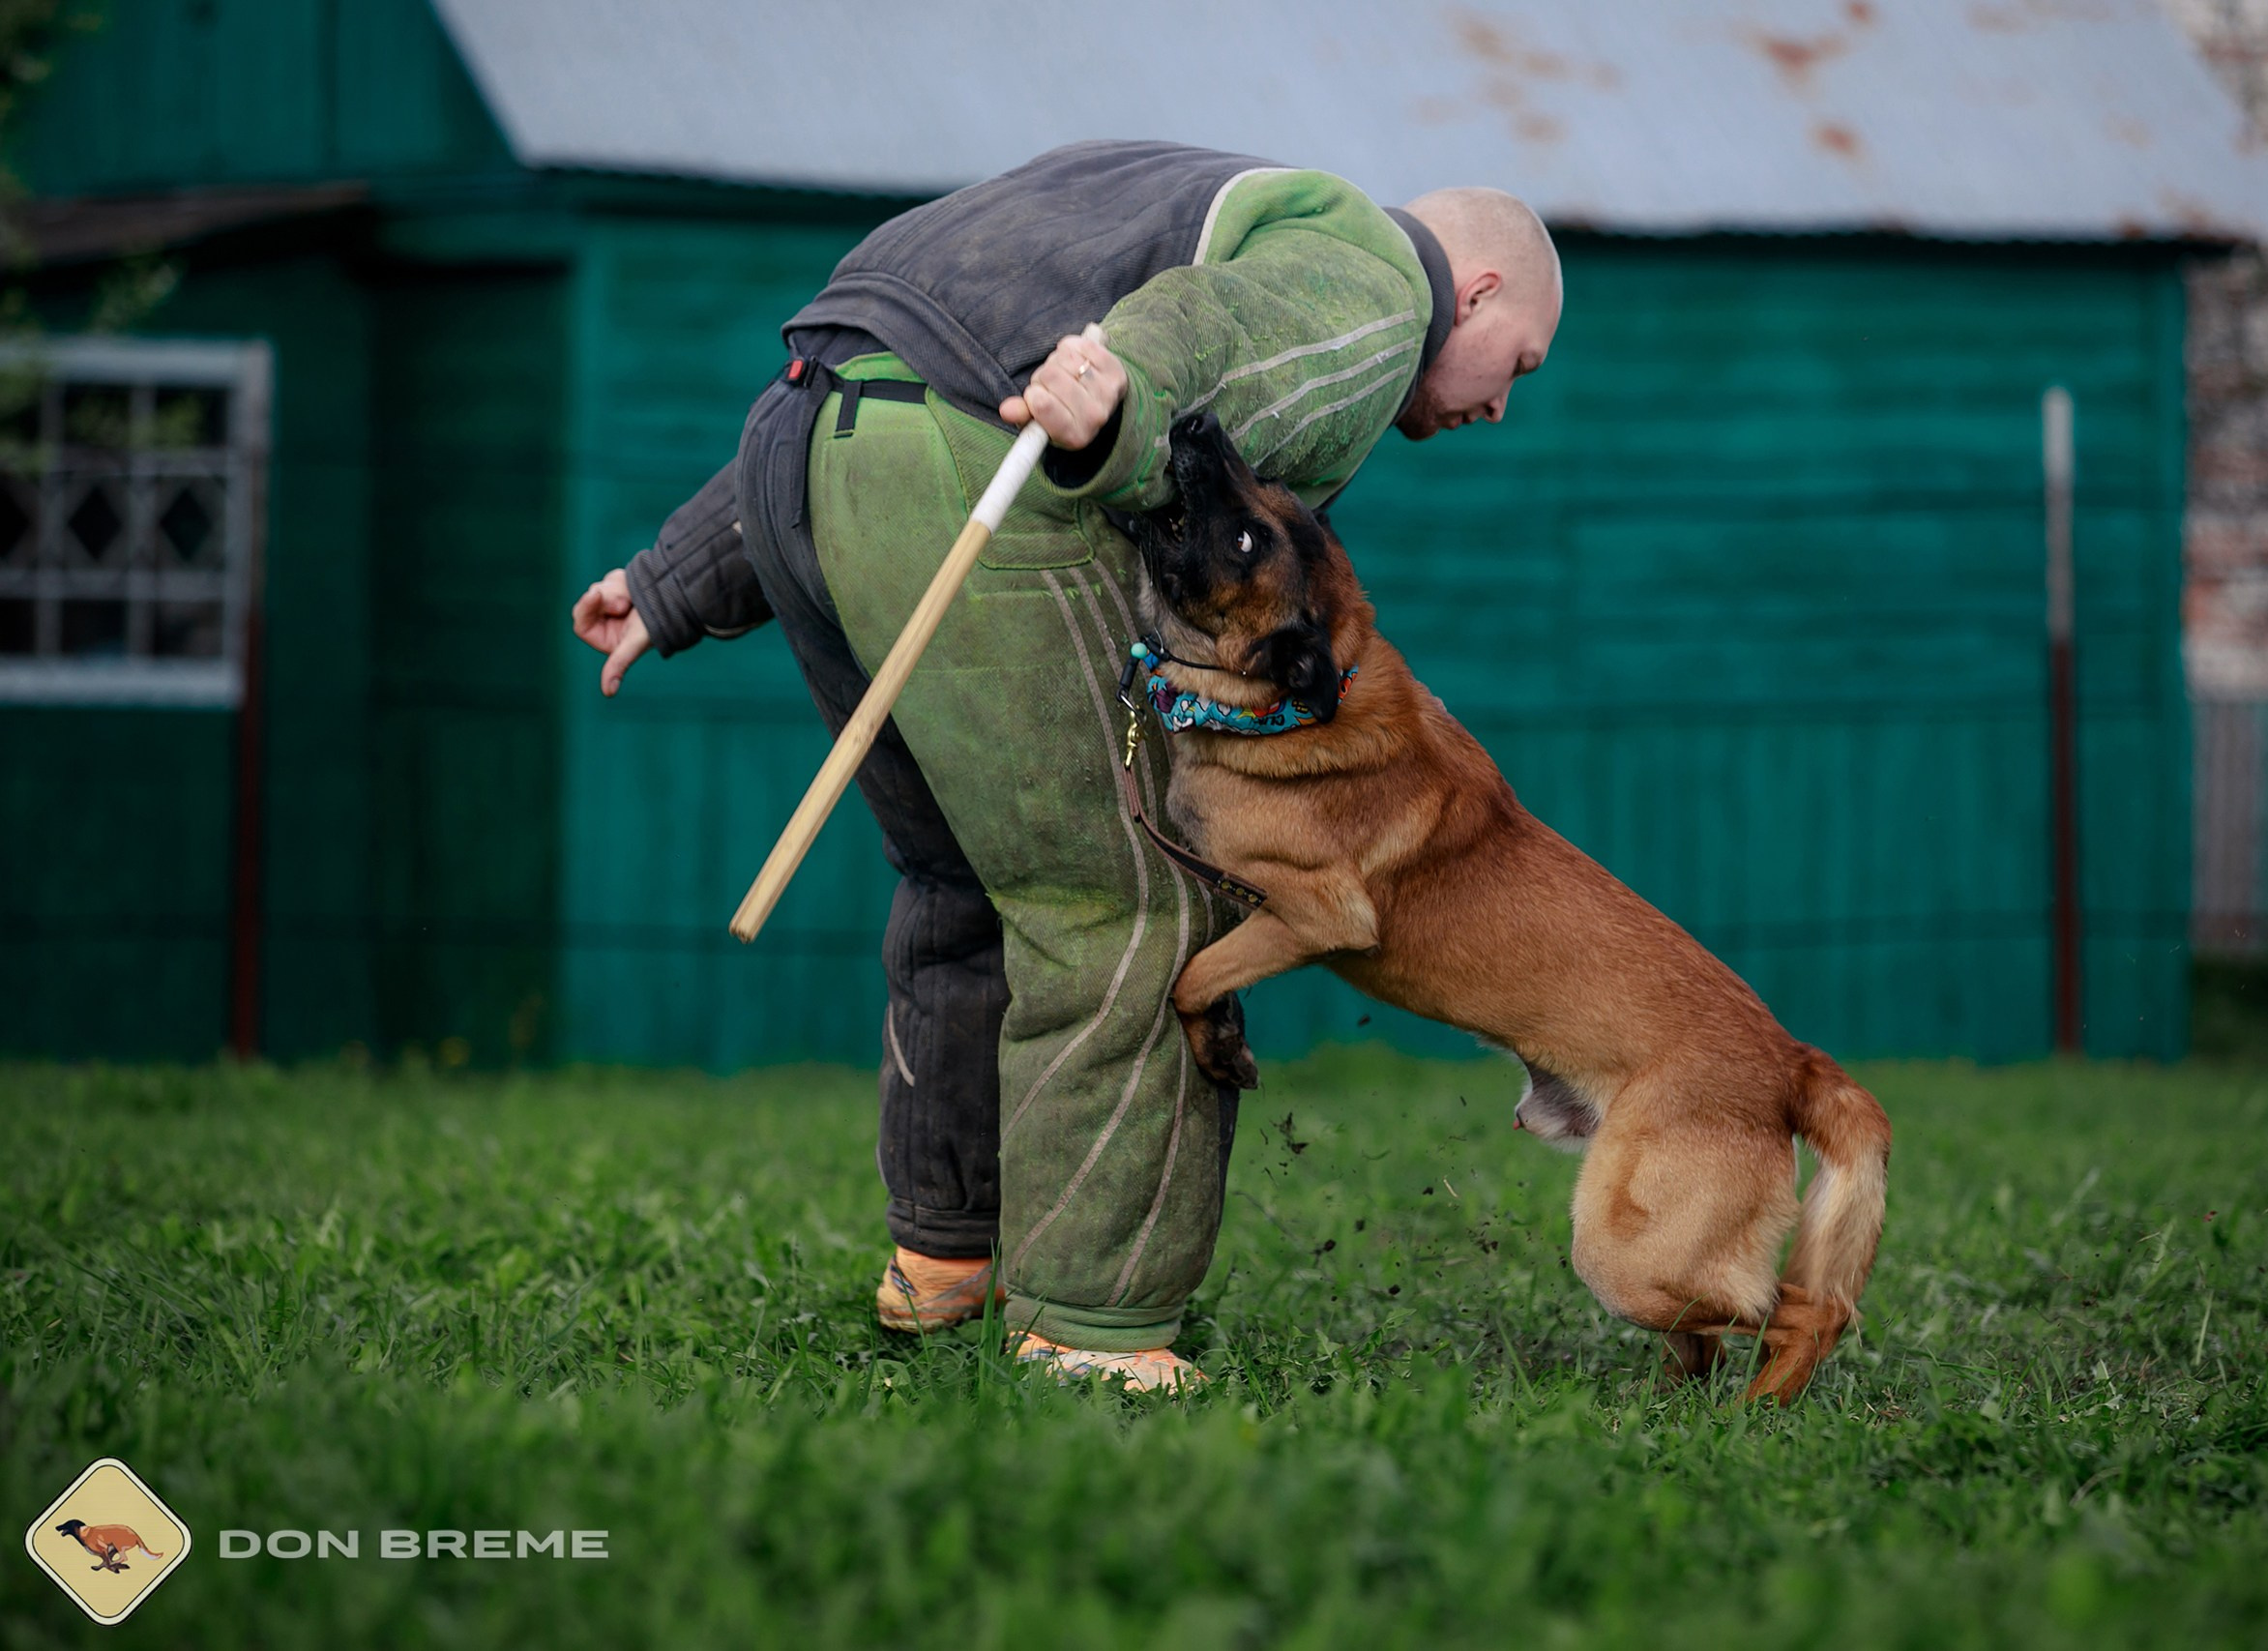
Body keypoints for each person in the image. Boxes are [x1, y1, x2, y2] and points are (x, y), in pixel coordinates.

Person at [572, 140, 1561, 1390]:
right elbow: (1210, 334)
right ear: (1470, 293)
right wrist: (1124, 408)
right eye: (1516, 362)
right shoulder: (1374, 284)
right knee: (1127, 907)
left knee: (962, 880)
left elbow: (889, 356)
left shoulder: (1152, 189)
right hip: (972, 473)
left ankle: (943, 1263)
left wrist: (673, 580)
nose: (1498, 406)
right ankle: (1091, 1329)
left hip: (801, 453)